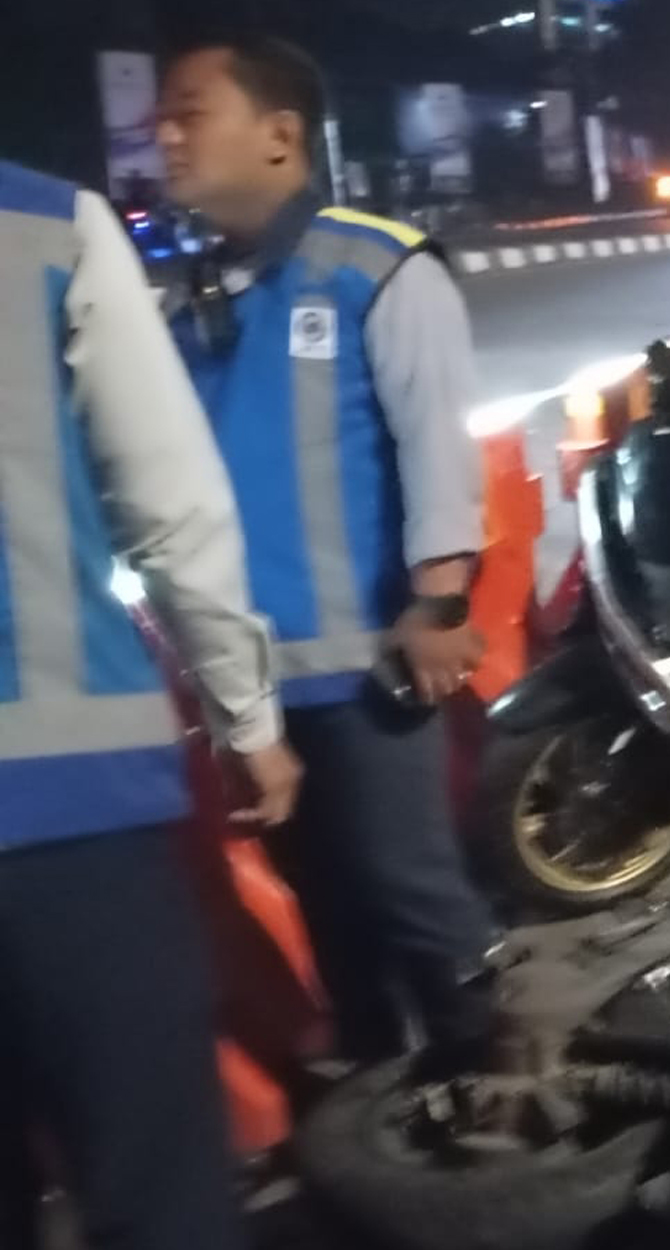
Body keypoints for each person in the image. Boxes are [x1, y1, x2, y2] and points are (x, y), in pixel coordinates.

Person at [156, 36, 501, 1063]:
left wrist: (439, 599)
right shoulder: (187, 298)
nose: (164, 136)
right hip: (254, 679)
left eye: (189, 112)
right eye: (160, 119)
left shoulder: (377, 265)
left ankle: (499, 1073)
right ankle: (382, 1088)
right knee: (327, 895)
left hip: (369, 663)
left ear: (279, 134)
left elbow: (435, 439)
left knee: (408, 882)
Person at [1, 158, 301, 1250]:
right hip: (62, 801)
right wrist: (247, 719)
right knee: (155, 1185)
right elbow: (172, 506)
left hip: (64, 793)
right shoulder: (42, 226)